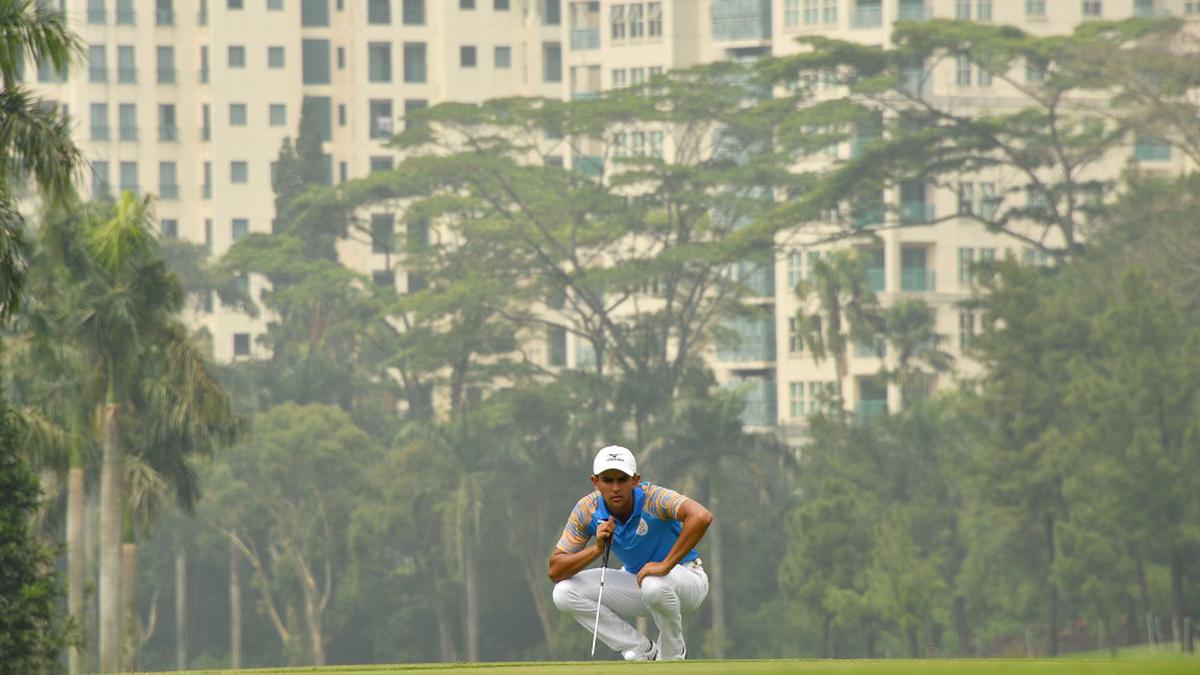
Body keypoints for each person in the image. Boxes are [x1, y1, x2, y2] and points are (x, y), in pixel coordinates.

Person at [548, 445, 713, 661]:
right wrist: (597, 548)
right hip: (637, 584)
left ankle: (673, 654)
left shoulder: (653, 498)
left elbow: (701, 516)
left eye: (622, 479)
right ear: (595, 482)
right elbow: (555, 570)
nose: (615, 487)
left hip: (686, 581)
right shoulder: (587, 510)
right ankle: (644, 650)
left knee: (654, 583)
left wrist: (665, 565)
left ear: (634, 480)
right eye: (608, 480)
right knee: (563, 592)